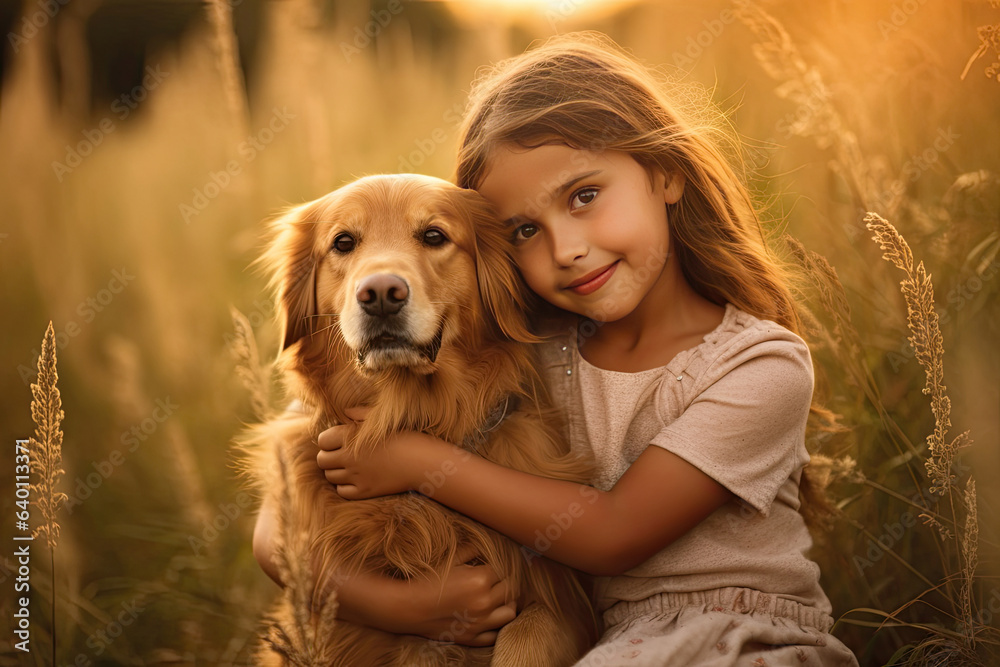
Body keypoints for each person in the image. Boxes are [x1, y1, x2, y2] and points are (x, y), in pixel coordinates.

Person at [263, 32, 859, 666]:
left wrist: (413, 462)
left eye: (584, 196)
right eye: (525, 229)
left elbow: (612, 536)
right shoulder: (534, 350)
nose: (567, 247)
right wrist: (399, 608)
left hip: (743, 644)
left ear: (666, 175)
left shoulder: (759, 367)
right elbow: (275, 527)